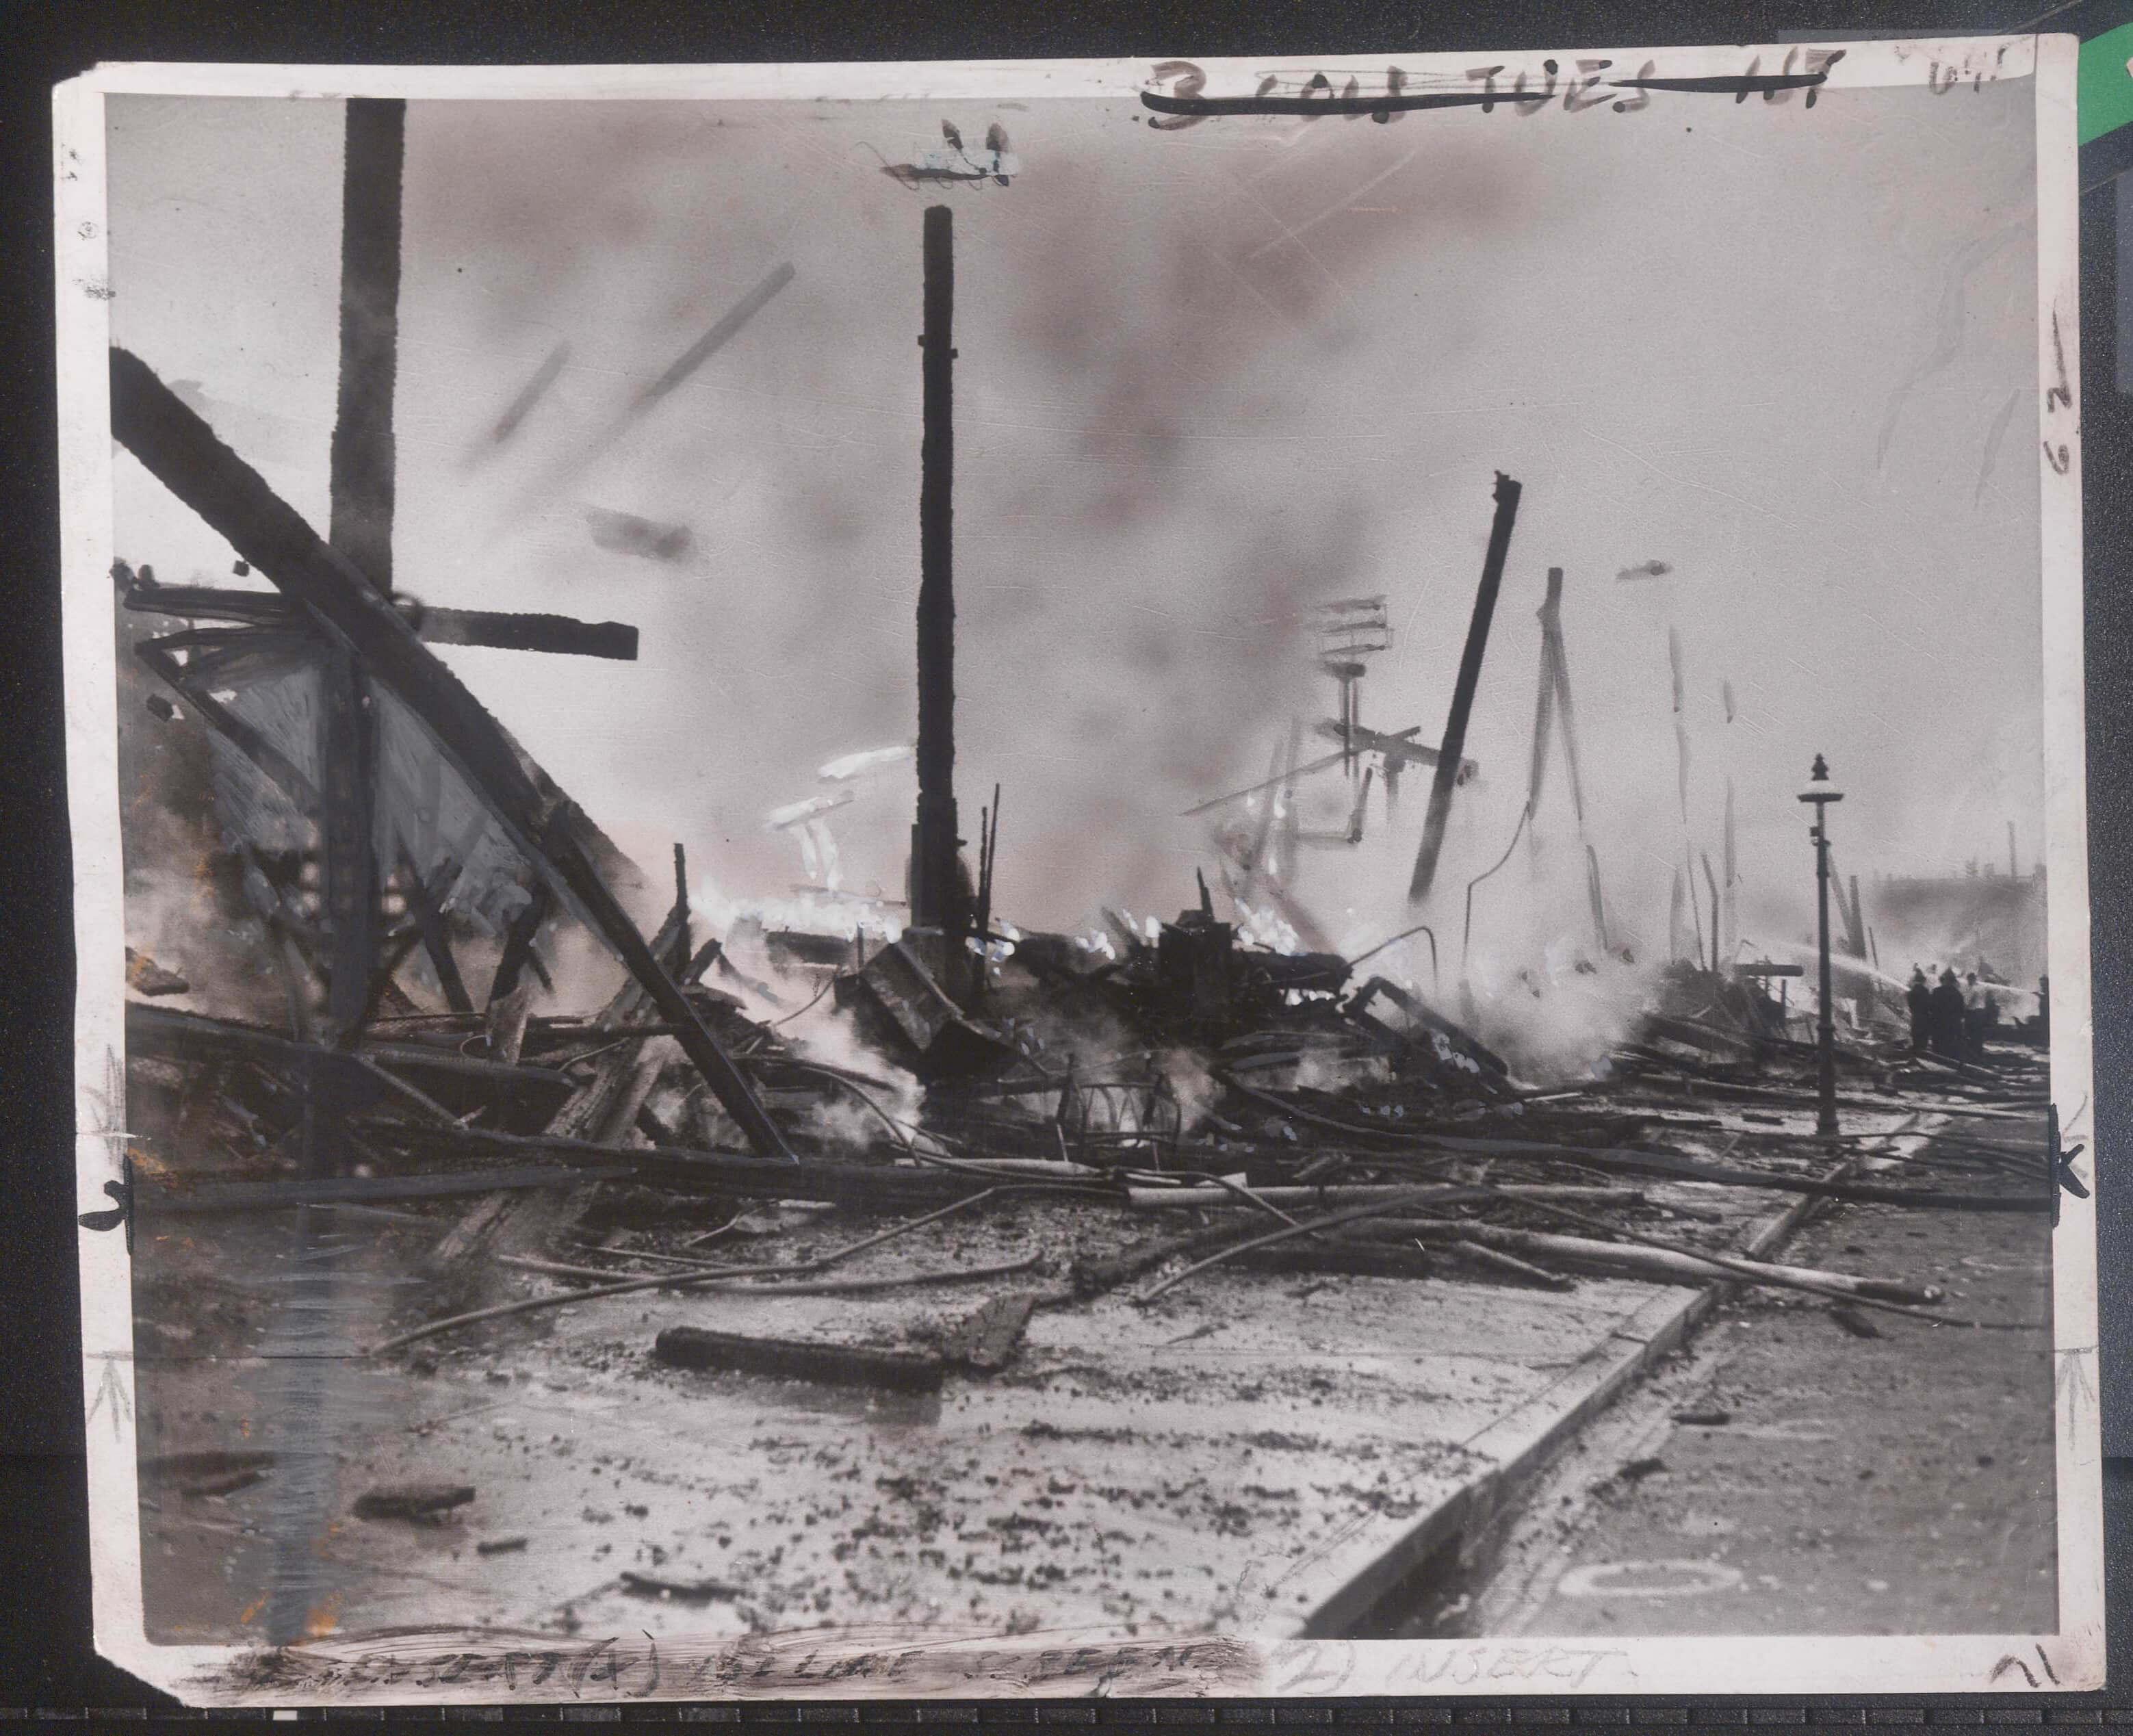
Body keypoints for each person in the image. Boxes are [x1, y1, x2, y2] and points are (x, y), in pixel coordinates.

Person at [1929, 968, 1967, 1063]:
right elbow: (1962, 1012)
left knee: (1937, 1045)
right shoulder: (1958, 994)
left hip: (1938, 1023)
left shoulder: (1937, 991)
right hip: (1952, 1025)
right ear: (1953, 982)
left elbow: (1931, 1007)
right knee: (1949, 1046)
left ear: (1945, 980)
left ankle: (1936, 1064)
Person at [1906, 966, 1931, 1052]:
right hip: (1924, 1016)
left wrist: (1913, 1010)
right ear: (1923, 981)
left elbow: (1910, 1004)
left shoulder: (1911, 992)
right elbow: (1929, 1004)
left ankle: (1916, 1049)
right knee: (1923, 1034)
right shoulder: (1926, 991)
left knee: (1915, 1032)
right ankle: (1922, 1051)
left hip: (1915, 1015)